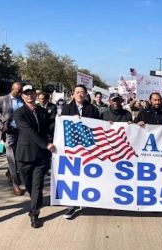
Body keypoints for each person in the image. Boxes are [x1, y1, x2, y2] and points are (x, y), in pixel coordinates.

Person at [14, 85, 55, 228]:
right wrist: (46, 143)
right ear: (22, 96)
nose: (29, 96)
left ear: (35, 95)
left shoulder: (44, 112)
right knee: (30, 185)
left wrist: (49, 142)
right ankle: (35, 202)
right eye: (26, 94)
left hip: (41, 156)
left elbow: (49, 129)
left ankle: (34, 214)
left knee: (37, 186)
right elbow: (29, 131)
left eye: (31, 93)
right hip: (24, 155)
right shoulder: (19, 113)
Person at [61, 84, 100, 219]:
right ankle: (71, 206)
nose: (79, 94)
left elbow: (99, 126)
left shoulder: (93, 109)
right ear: (73, 94)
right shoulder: (66, 109)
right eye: (77, 92)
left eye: (82, 92)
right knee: (72, 176)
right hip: (72, 147)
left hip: (88, 147)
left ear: (86, 94)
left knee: (86, 174)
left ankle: (85, 200)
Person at [0, 82, 25, 196]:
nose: (20, 92)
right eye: (18, 90)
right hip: (9, 132)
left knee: (20, 157)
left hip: (23, 132)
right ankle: (16, 184)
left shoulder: (23, 99)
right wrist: (1, 126)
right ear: (12, 88)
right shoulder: (3, 99)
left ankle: (10, 172)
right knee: (12, 157)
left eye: (21, 90)